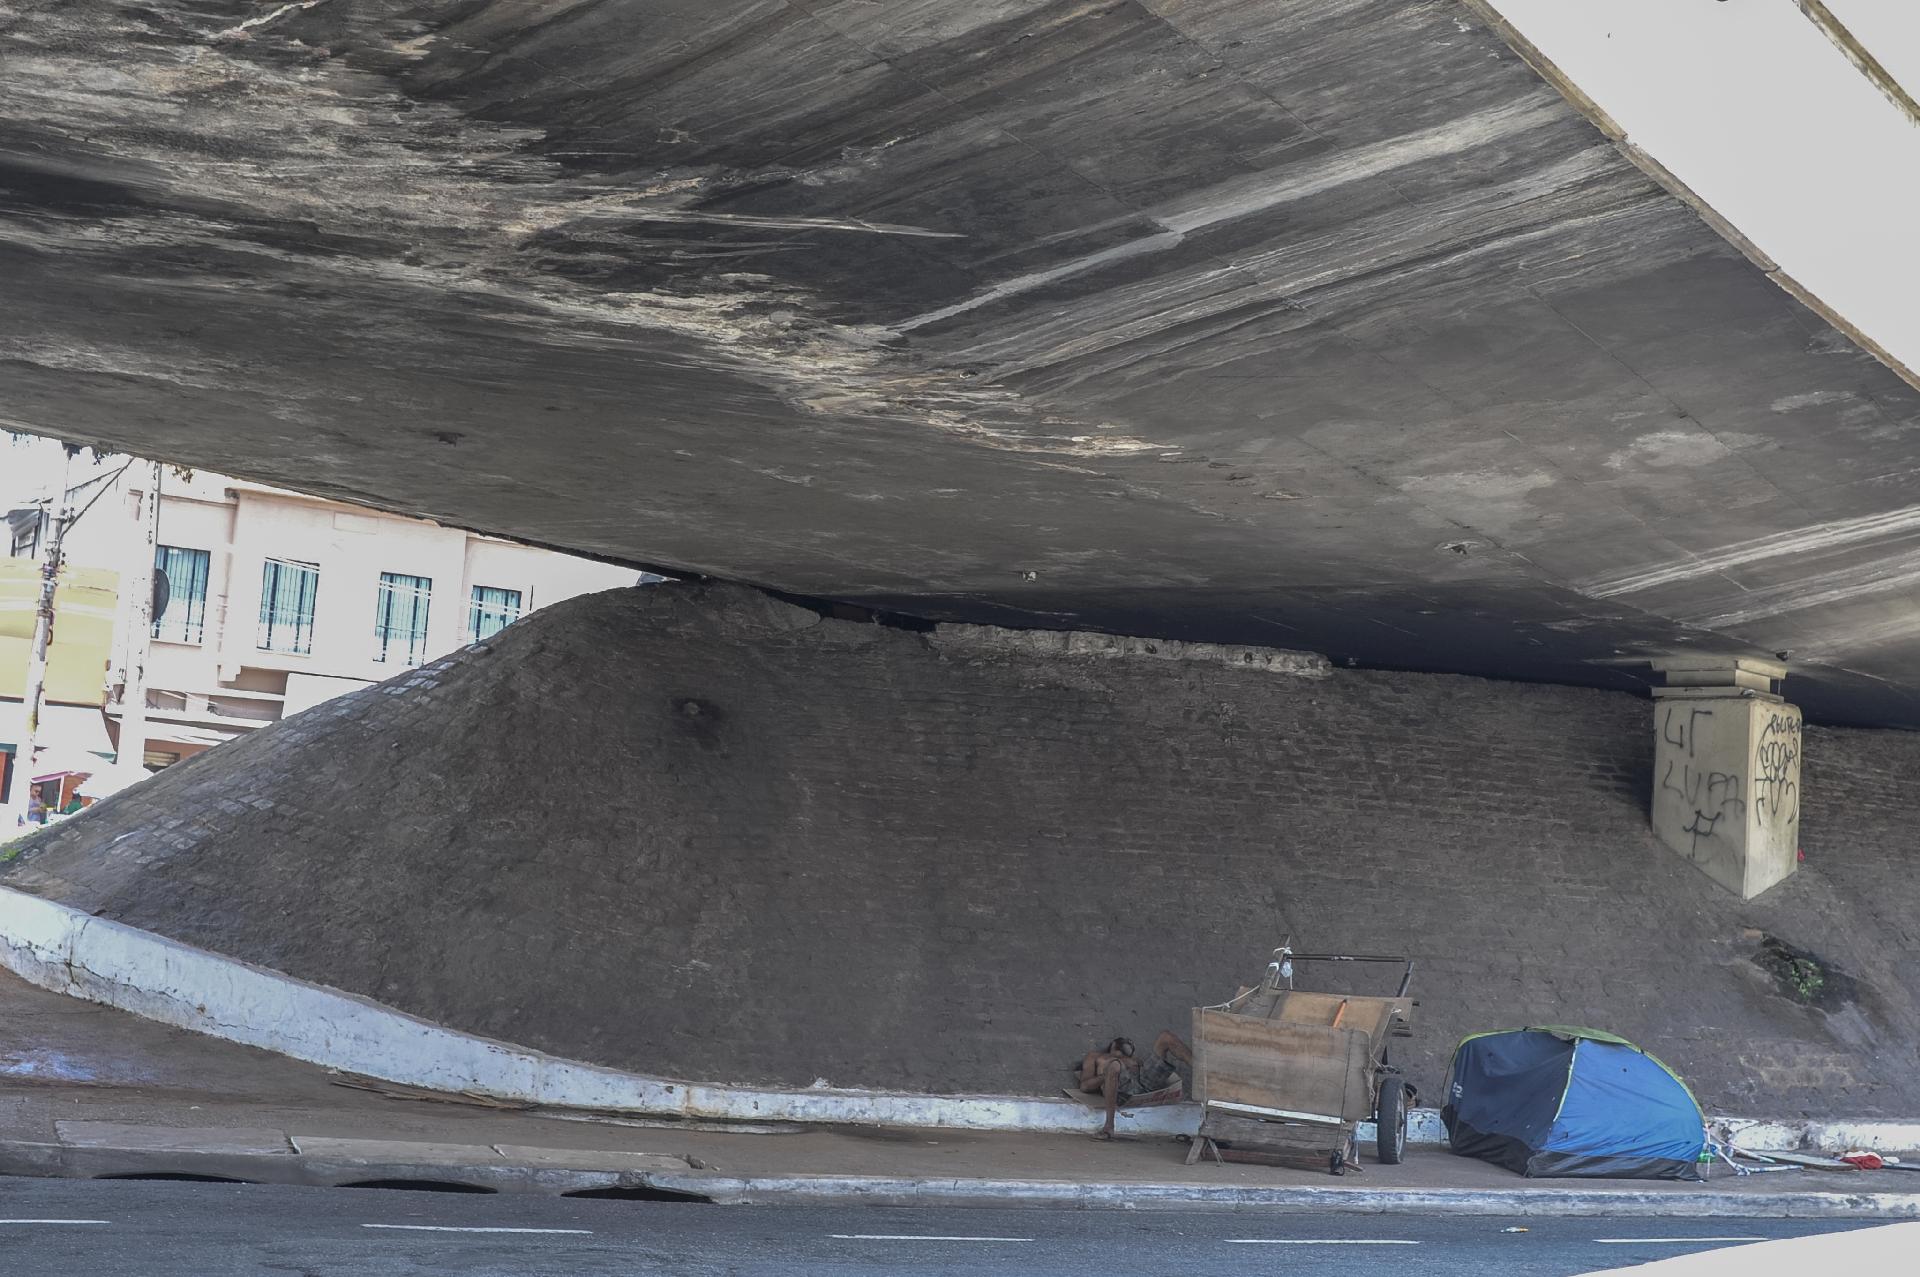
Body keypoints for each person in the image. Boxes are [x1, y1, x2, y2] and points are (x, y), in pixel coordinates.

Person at [1076, 1030, 1194, 1140]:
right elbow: (1085, 1086)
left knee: (1166, 1037)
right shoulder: (1097, 1057)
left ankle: (1204, 1072)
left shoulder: (1135, 1059)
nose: (1129, 1041)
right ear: (1113, 1044)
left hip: (1144, 1083)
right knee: (1115, 1065)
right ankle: (1109, 1127)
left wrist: (1134, 1065)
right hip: (1123, 1090)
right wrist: (1106, 1075)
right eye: (1124, 1041)